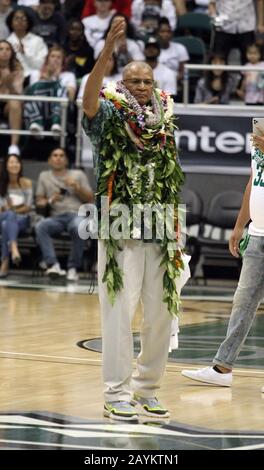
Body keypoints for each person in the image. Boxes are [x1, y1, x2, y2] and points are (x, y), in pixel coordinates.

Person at [82, 17, 184, 421]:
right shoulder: (109, 113)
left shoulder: (165, 120)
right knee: (119, 313)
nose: (141, 87)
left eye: (147, 81)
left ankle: (147, 389)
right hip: (119, 222)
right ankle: (116, 393)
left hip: (160, 225)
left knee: (161, 314)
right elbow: (88, 101)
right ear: (123, 84)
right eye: (134, 81)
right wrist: (107, 50)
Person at [182, 130, 264, 393]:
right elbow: (254, 183)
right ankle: (222, 368)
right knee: (243, 302)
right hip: (258, 233)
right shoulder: (258, 140)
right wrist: (240, 225)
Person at [35, 147, 93, 281]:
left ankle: (73, 268)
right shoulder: (44, 176)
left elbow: (90, 199)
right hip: (56, 217)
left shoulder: (78, 174)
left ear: (66, 160)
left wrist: (77, 187)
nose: (58, 158)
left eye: (61, 155)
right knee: (40, 226)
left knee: (79, 227)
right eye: (55, 155)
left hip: (77, 214)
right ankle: (53, 264)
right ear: (49, 160)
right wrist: (50, 200)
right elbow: (39, 202)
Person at [0, 154, 33, 278]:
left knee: (6, 224)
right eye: (11, 162)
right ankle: (14, 248)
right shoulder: (1, 183)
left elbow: (28, 206)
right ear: (6, 166)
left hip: (22, 220)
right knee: (8, 217)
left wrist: (12, 209)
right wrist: (13, 209)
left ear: (20, 165)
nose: (14, 165)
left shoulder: (26, 183)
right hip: (3, 216)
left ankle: (5, 261)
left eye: (17, 162)